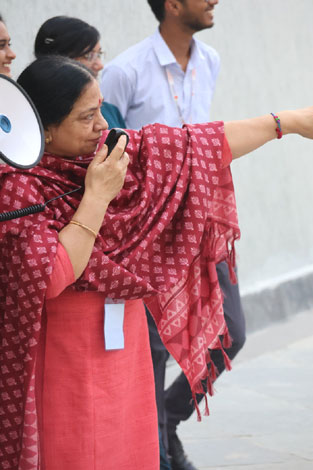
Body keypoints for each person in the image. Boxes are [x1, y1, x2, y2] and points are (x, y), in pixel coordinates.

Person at [1, 55, 313, 470]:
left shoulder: (111, 153)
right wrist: (96, 198)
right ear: (45, 131)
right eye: (87, 117)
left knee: (131, 449)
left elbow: (200, 144)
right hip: (64, 362)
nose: (102, 125)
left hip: (126, 355)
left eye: (101, 110)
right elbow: (54, 275)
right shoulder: (19, 188)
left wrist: (285, 122)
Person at [100, 2, 245, 468]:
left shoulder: (211, 60)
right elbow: (110, 151)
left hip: (201, 218)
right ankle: (158, 456)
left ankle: (168, 415)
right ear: (173, 5)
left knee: (232, 334)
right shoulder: (124, 71)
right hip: (155, 233)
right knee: (155, 352)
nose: (214, 1)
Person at [34, 15, 125, 129]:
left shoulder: (110, 111)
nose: (100, 65)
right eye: (89, 56)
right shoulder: (39, 116)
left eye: (99, 54)